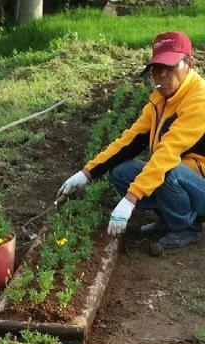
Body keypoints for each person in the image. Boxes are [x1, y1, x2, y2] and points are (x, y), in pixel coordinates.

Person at [57, 31, 205, 249]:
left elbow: (167, 153)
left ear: (190, 63)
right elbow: (130, 141)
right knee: (122, 171)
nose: (162, 75)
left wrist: (130, 199)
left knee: (167, 169)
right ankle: (169, 218)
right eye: (157, 68)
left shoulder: (199, 100)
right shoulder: (161, 100)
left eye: (170, 67)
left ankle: (186, 227)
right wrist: (86, 173)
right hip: (184, 177)